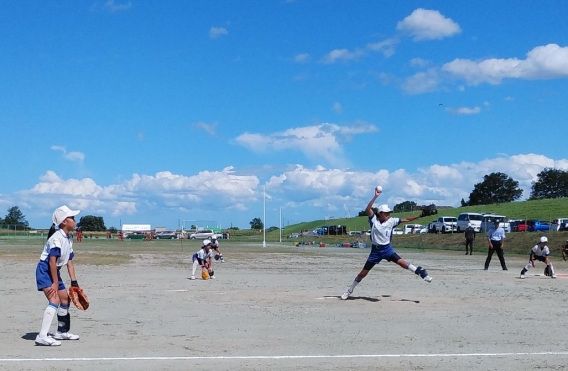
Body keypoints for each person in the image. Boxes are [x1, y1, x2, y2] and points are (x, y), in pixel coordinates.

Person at [340, 188, 432, 300]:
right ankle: (349, 290)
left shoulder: (391, 221)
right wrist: (375, 196)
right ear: (380, 213)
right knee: (363, 273)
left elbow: (407, 219)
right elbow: (368, 209)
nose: (388, 214)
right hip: (375, 251)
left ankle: (420, 271)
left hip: (387, 249)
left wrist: (420, 215)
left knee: (402, 263)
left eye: (389, 213)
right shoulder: (373, 220)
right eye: (386, 213)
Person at [34, 205, 82, 346]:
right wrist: (55, 283)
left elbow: (69, 262)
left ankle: (61, 332)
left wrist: (74, 282)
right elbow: (51, 261)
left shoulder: (68, 238)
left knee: (65, 300)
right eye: (72, 218)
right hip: (45, 270)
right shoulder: (56, 238)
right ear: (63, 222)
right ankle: (42, 336)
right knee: (54, 299)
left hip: (54, 270)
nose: (74, 220)